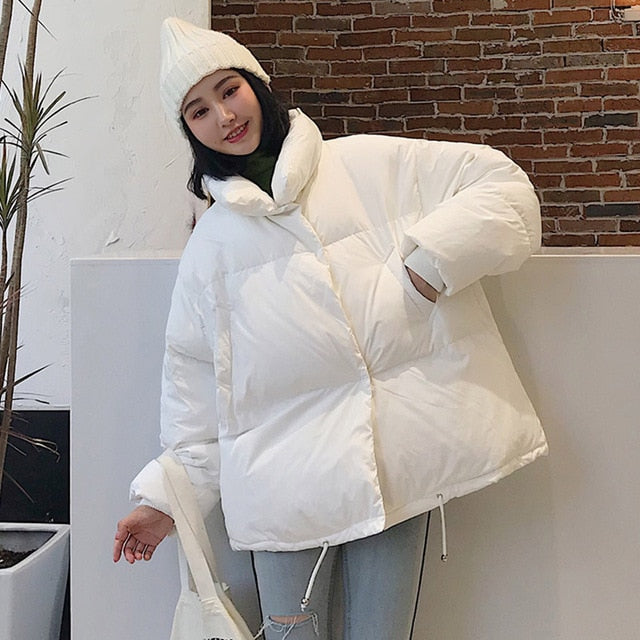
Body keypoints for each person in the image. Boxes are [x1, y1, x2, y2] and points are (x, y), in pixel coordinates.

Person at [113, 17, 548, 640]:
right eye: (199, 110)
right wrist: (164, 503)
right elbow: (195, 391)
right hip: (281, 490)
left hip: (387, 469)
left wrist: (430, 264)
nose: (224, 116)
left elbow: (502, 185)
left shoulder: (364, 164)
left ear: (256, 85)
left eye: (229, 90)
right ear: (189, 130)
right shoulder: (210, 247)